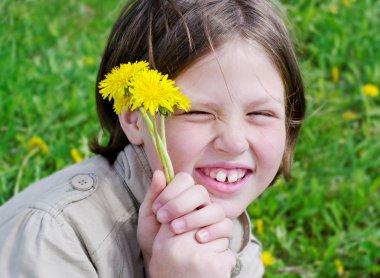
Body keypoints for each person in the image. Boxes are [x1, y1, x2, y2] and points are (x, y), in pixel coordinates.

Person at [0, 0, 306, 277]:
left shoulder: (232, 238)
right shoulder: (53, 237)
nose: (235, 141)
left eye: (261, 114)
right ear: (134, 117)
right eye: (197, 112)